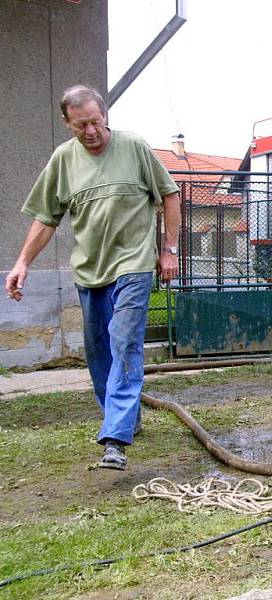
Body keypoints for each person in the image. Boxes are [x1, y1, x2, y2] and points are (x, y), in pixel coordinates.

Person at [4, 85, 180, 470]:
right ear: (67, 123)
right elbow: (46, 218)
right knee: (99, 351)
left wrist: (168, 251)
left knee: (125, 341)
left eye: (96, 122)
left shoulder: (134, 147)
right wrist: (22, 263)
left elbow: (169, 195)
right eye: (80, 125)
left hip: (133, 265)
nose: (90, 132)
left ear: (105, 117)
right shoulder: (63, 160)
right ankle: (126, 419)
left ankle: (115, 436)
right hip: (89, 271)